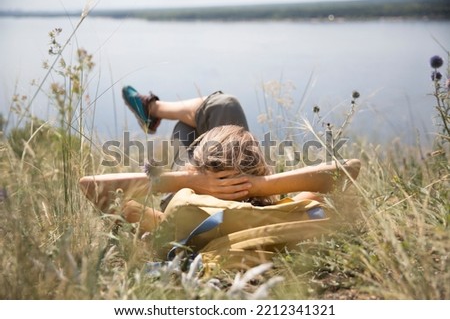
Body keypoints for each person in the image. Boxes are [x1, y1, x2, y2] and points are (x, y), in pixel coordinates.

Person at [79, 87, 361, 234]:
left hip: (190, 191)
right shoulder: (283, 212)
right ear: (260, 165)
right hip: (238, 191)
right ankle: (154, 111)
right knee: (214, 113)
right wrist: (258, 187)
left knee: (205, 118)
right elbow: (349, 169)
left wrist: (192, 181)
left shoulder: (174, 222)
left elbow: (90, 186)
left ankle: (153, 110)